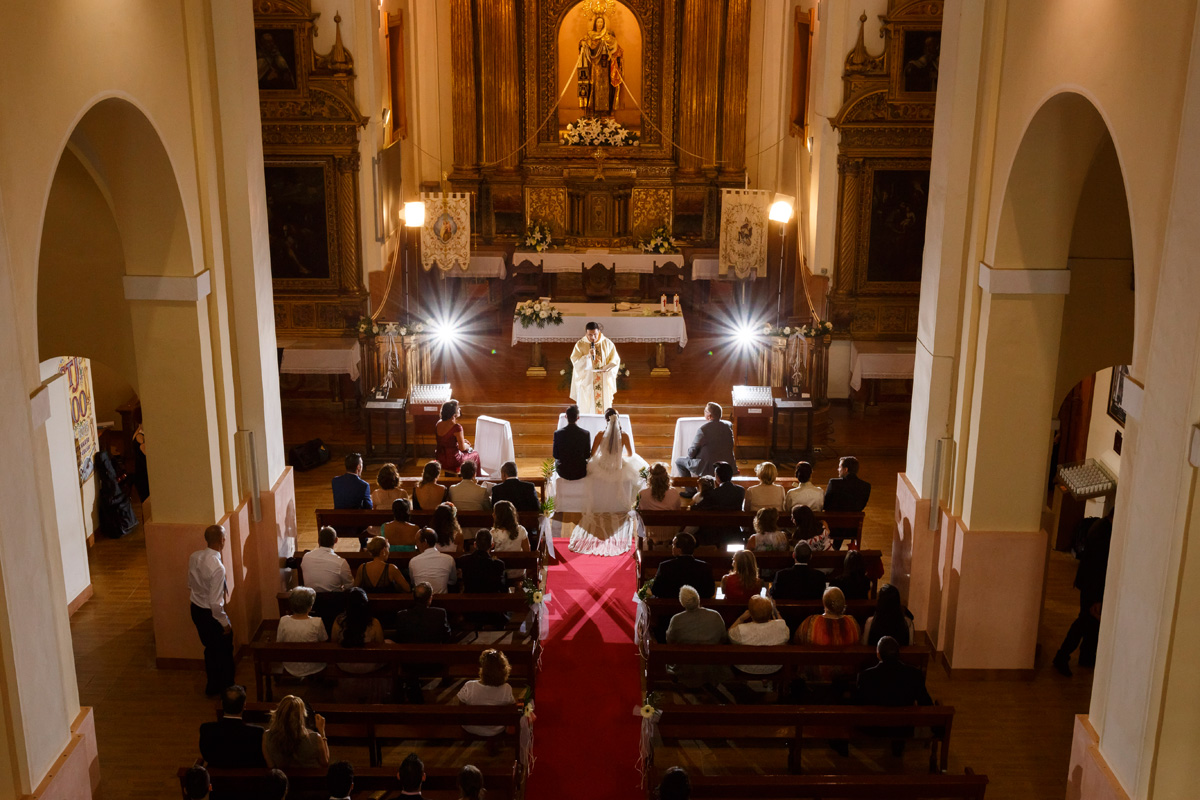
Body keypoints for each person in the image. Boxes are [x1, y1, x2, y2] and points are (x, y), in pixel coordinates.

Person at [1054, 513, 1113, 677]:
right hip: (1092, 587)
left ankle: (1085, 656)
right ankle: (1062, 656)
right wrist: (1097, 599)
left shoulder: (1100, 526)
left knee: (1089, 622)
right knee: (1084, 621)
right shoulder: (1105, 533)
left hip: (1087, 583)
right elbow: (1099, 568)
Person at [855, 636, 933, 753]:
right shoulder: (914, 674)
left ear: (878, 654)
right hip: (904, 727)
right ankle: (898, 745)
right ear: (898, 653)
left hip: (873, 727)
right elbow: (925, 702)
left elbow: (859, 702)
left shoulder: (866, 676)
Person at [188, 524, 235, 696]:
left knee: (210, 648)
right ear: (222, 541)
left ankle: (212, 685)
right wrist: (225, 624)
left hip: (196, 609)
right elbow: (216, 604)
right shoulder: (217, 567)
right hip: (210, 614)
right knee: (224, 649)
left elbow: (190, 584)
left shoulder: (194, 557)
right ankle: (228, 688)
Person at [394, 582, 453, 703]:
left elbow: (399, 638)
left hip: (410, 663)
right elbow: (447, 636)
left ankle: (412, 689)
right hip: (434, 663)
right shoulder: (440, 613)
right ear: (430, 598)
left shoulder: (402, 615)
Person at [665, 585, 731, 687]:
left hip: (686, 667)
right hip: (711, 666)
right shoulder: (715, 615)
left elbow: (670, 641)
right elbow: (723, 638)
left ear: (682, 602)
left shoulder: (676, 619)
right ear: (698, 598)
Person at [794, 586, 862, 683]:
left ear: (824, 603)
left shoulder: (811, 622)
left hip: (816, 675)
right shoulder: (852, 622)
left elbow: (797, 640)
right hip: (846, 676)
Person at [199, 684, 266, 768]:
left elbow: (206, 756)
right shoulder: (257, 733)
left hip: (216, 778)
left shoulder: (206, 730)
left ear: (222, 704)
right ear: (244, 706)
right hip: (247, 778)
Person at [456, 649, 516, 736]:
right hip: (496, 729)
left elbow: (461, 707)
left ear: (483, 669)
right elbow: (511, 707)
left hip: (471, 727)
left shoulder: (469, 686)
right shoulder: (506, 688)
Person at [728, 595, 790, 675]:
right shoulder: (781, 626)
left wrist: (741, 618)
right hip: (774, 667)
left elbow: (730, 634)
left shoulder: (741, 629)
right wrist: (775, 611)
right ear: (770, 613)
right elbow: (782, 623)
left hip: (745, 668)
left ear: (750, 614)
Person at [275, 587, 329, 679]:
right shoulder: (317, 622)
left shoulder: (283, 620)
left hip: (290, 665)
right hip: (314, 666)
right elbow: (324, 641)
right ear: (310, 607)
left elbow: (279, 642)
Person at [262, 695, 329, 769]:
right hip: (309, 780)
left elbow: (271, 767)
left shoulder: (267, 736)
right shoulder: (315, 738)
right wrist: (322, 732)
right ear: (302, 716)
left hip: (284, 780)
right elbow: (325, 762)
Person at [331, 587, 386, 677]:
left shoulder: (339, 621)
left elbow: (333, 643)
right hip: (369, 665)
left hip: (345, 664)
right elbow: (381, 646)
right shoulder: (374, 623)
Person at [460, 530, 509, 629]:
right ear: (492, 545)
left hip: (470, 610)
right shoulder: (498, 564)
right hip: (492, 611)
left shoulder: (464, 560)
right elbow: (502, 587)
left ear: (474, 544)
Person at [570, 321, 621, 414]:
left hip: (603, 380)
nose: (593, 337)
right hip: (587, 381)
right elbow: (575, 362)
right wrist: (587, 357)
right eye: (590, 335)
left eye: (595, 334)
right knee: (587, 406)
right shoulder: (580, 344)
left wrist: (609, 369)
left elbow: (615, 360)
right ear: (586, 333)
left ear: (599, 332)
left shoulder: (607, 343)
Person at [691, 462, 746, 547]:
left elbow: (697, 509)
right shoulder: (740, 491)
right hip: (734, 532)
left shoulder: (712, 493)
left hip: (714, 535)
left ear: (717, 477)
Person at [674, 402, 736, 478]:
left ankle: (690, 490)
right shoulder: (728, 427)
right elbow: (731, 445)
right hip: (727, 465)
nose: (704, 413)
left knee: (679, 461)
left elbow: (692, 452)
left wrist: (692, 456)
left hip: (708, 466)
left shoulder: (703, 429)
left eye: (705, 411)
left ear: (709, 416)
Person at [823, 456, 871, 549]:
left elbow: (826, 505)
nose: (838, 469)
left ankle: (834, 548)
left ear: (846, 469)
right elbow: (860, 506)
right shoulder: (866, 486)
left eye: (839, 467)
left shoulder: (834, 483)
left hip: (833, 527)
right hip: (852, 528)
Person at [650, 533, 715, 600]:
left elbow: (655, 590)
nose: (672, 546)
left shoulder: (665, 566)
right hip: (696, 607)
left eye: (673, 544)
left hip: (670, 607)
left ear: (679, 549)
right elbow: (710, 592)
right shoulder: (705, 567)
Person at [638, 461, 683, 550]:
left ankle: (654, 540)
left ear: (650, 478)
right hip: (670, 530)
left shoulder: (642, 494)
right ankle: (666, 541)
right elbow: (678, 509)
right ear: (666, 477)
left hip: (651, 530)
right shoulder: (674, 493)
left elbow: (639, 511)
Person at [435, 399, 483, 475]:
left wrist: (462, 440)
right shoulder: (457, 427)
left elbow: (446, 440)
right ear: (453, 413)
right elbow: (462, 448)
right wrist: (467, 445)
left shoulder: (438, 423)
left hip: (440, 457)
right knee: (475, 454)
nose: (459, 409)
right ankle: (474, 479)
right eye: (458, 408)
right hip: (453, 460)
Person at [301, 526, 353, 592]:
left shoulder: (306, 557)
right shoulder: (340, 563)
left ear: (318, 541)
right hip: (332, 600)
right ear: (336, 540)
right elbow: (349, 586)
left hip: (311, 599)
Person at [491, 500, 532, 583]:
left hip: (500, 571)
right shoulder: (521, 530)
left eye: (494, 513)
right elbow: (527, 552)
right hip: (518, 571)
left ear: (497, 516)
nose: (492, 514)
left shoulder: (493, 533)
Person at [408, 529, 458, 593]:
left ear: (425, 543)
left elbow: (413, 582)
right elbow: (453, 581)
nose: (416, 545)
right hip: (443, 599)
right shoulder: (449, 559)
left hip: (422, 600)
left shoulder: (413, 561)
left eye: (417, 542)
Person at [553, 404, 592, 480]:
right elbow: (587, 455)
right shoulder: (585, 434)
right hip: (580, 471)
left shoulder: (558, 433)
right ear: (578, 418)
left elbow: (555, 455)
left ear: (566, 416)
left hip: (563, 471)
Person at [369, 463, 408, 536]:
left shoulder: (375, 493)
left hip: (380, 528)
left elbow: (374, 512)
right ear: (395, 478)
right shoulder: (402, 493)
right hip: (398, 528)